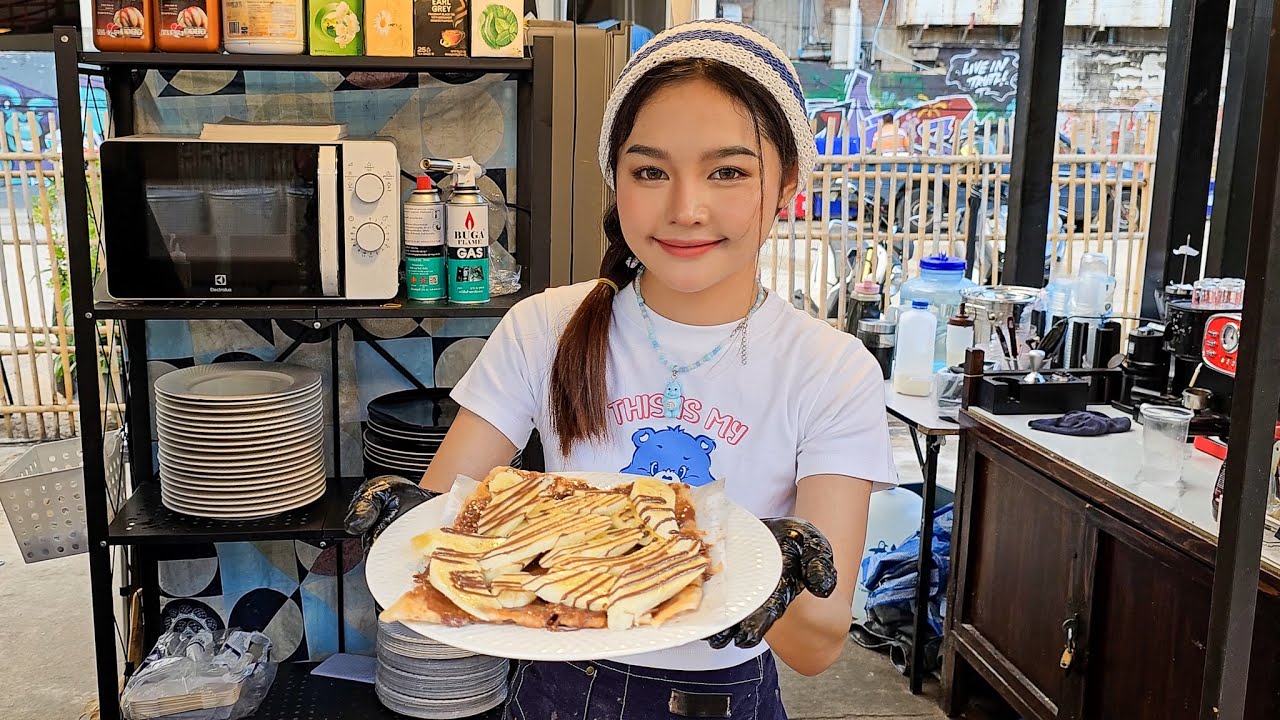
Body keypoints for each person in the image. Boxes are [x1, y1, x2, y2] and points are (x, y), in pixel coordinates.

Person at [347, 19, 895, 719]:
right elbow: (438, 534)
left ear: (786, 183)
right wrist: (417, 532)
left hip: (719, 698)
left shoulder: (830, 369)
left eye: (728, 171)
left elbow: (817, 648)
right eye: (650, 171)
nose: (685, 208)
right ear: (617, 181)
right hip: (555, 686)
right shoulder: (544, 327)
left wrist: (774, 569)